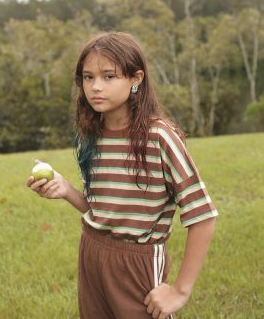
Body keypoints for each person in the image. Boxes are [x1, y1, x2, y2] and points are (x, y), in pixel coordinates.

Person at [27, 31, 218, 319]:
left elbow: (202, 215)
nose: (95, 87)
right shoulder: (91, 136)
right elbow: (104, 211)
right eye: (88, 77)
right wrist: (65, 189)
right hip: (92, 252)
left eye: (108, 76)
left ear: (136, 79)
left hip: (137, 263)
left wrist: (179, 290)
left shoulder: (159, 137)